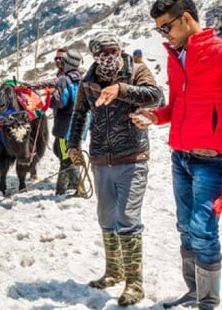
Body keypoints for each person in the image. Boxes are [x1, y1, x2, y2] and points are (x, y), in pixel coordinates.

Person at [132, 0, 222, 310]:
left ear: (186, 19)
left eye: (166, 27)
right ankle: (194, 292)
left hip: (214, 161)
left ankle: (207, 301)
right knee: (185, 228)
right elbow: (177, 106)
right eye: (158, 30)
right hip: (181, 157)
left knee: (202, 230)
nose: (163, 35)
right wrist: (155, 116)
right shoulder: (175, 56)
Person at [66, 33, 163, 307]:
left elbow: (157, 97)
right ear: (95, 55)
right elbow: (79, 114)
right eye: (103, 53)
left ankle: (134, 283)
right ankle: (114, 271)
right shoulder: (88, 81)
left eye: (113, 51)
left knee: (127, 216)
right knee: (106, 216)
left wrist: (122, 89)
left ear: (120, 50)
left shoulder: (137, 71)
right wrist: (73, 144)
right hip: (100, 158)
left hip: (132, 156)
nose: (109, 57)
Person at [28, 48, 85, 195]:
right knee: (69, 152)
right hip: (80, 124)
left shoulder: (64, 80)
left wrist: (51, 97)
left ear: (67, 63)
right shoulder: (82, 78)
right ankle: (63, 188)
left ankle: (79, 188)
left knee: (64, 155)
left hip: (65, 126)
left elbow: (60, 102)